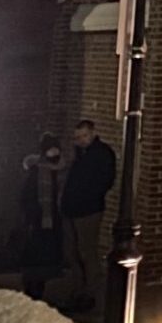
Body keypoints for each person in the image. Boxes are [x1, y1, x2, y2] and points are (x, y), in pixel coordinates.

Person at [57, 120, 116, 312]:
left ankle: (90, 293)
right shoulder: (80, 155)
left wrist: (87, 196)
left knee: (87, 251)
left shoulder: (101, 154)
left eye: (83, 136)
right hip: (72, 209)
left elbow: (105, 181)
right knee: (72, 252)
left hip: (88, 210)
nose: (80, 140)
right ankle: (78, 290)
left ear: (92, 134)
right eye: (77, 137)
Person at [17, 134, 66, 301]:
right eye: (51, 150)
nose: (54, 154)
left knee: (47, 255)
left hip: (54, 219)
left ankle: (41, 286)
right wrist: (32, 215)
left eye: (56, 150)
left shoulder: (61, 171)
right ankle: (31, 286)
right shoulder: (36, 171)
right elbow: (26, 196)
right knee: (35, 254)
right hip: (38, 220)